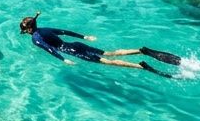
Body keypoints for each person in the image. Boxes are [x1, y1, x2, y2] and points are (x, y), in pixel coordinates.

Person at [19, 12, 181, 77]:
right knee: (111, 53)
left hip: (72, 51)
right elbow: (64, 31)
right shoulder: (45, 29)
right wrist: (84, 36)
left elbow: (48, 49)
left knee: (109, 62)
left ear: (28, 29)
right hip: (76, 43)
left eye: (24, 30)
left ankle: (141, 66)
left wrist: (63, 60)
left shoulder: (36, 39)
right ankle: (140, 50)